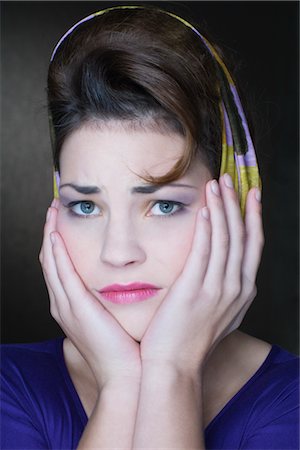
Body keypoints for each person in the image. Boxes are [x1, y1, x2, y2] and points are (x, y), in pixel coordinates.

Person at [1, 5, 298, 449]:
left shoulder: (291, 403)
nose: (117, 252)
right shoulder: (11, 386)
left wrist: (171, 371)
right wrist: (122, 383)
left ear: (233, 204)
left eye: (162, 205)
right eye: (85, 206)